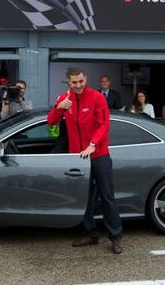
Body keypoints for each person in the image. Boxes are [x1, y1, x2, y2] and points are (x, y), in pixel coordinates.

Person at [47, 67, 123, 254]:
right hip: (78, 158)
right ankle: (91, 234)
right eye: (74, 82)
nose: (79, 85)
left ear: (85, 79)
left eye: (81, 81)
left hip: (99, 155)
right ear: (69, 82)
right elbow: (51, 122)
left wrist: (92, 144)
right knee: (85, 198)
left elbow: (104, 124)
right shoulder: (63, 99)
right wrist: (59, 108)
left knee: (107, 197)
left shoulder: (97, 97)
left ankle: (115, 237)